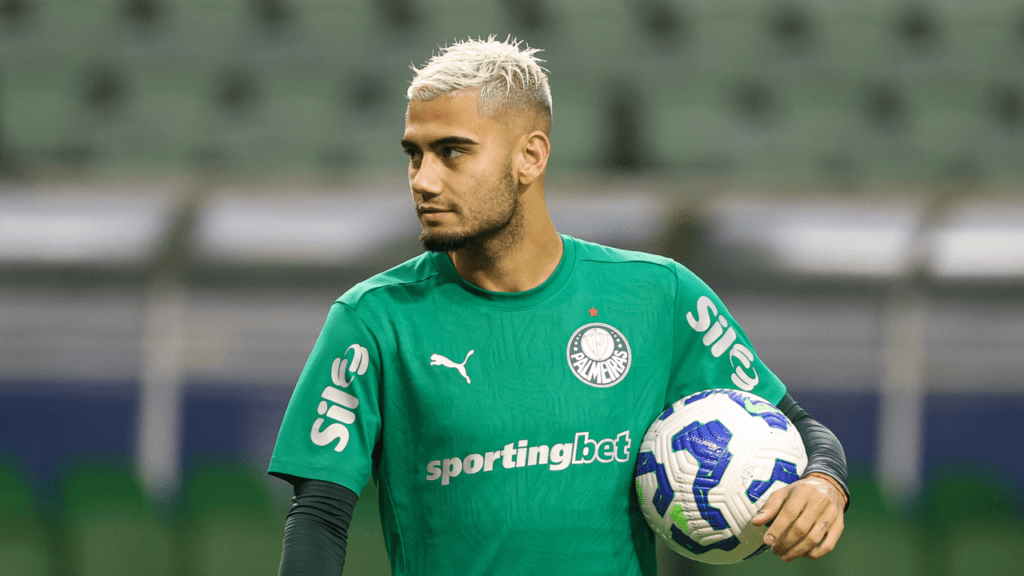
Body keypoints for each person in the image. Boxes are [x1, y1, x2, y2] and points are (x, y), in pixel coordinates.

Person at [269, 36, 849, 576]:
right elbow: (319, 515)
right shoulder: (372, 320)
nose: (423, 180)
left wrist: (824, 481)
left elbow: (802, 429)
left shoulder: (659, 294)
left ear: (530, 156)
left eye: (451, 152)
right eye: (414, 155)